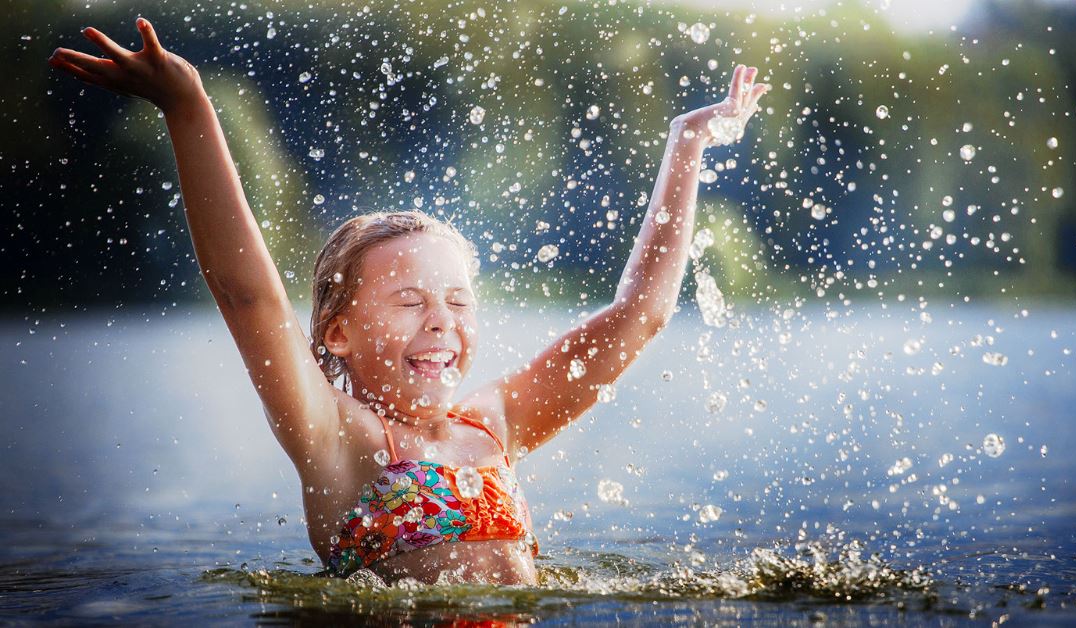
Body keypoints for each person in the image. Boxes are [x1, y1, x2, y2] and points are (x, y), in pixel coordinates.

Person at [49, 17, 770, 586]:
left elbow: (639, 315)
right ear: (337, 332)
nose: (442, 323)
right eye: (409, 302)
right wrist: (188, 108)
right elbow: (247, 295)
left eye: (458, 302)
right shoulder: (336, 439)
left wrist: (687, 143)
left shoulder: (495, 426)